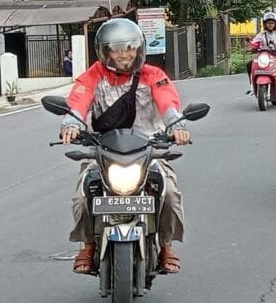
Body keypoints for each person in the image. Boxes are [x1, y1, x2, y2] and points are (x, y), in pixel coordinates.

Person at [60, 18, 190, 275]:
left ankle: (166, 245)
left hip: (149, 148)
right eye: (117, 49)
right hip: (103, 149)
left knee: (170, 194)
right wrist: (72, 123)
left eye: (130, 47)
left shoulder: (153, 75)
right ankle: (87, 245)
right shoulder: (93, 75)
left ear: (139, 48)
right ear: (105, 51)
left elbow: (168, 101)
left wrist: (177, 126)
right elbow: (79, 99)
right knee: (82, 195)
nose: (124, 54)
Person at [247, 12, 276, 95]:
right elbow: (254, 43)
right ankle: (253, 88)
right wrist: (252, 47)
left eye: (272, 23)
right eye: (268, 23)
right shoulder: (261, 34)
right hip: (263, 57)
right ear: (265, 24)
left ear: (275, 24)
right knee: (250, 64)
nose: (270, 25)